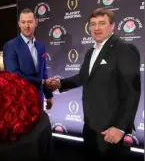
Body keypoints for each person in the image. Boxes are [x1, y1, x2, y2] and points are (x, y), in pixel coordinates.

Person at [49, 8, 141, 160]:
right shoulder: (91, 52)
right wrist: (59, 84)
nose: (96, 28)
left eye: (102, 23)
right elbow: (83, 77)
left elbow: (132, 92)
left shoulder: (125, 49)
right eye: (93, 24)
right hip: (90, 125)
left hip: (111, 130)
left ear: (112, 26)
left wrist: (119, 127)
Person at [3, 8, 54, 110]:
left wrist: (48, 95)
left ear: (36, 22)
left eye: (30, 22)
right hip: (20, 101)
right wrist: (42, 82)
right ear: (19, 24)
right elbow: (14, 75)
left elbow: (43, 72)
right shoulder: (10, 45)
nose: (27, 26)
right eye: (23, 22)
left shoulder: (41, 46)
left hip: (39, 99)